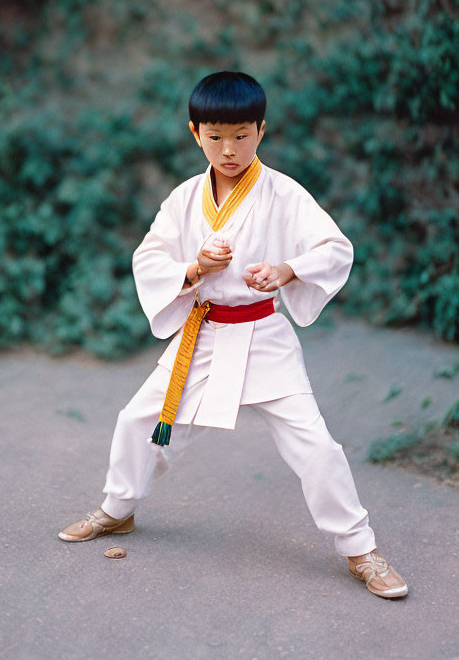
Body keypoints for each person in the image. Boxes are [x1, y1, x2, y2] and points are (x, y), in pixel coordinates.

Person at [58, 71, 408, 600]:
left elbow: (334, 248)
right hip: (202, 336)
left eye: (241, 135)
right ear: (194, 133)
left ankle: (361, 548)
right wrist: (195, 266)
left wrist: (286, 271)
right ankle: (117, 510)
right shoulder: (183, 198)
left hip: (263, 333)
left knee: (314, 445)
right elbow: (148, 257)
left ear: (261, 131)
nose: (229, 149)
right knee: (138, 420)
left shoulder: (282, 192)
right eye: (216, 136)